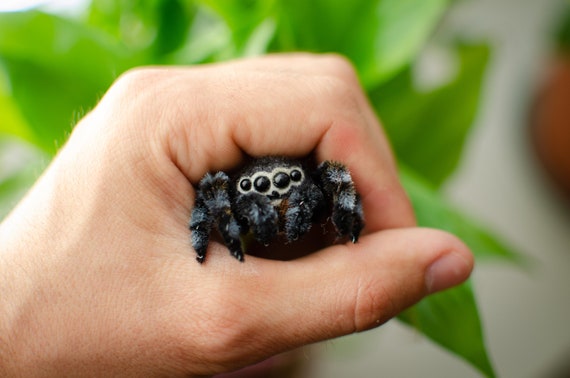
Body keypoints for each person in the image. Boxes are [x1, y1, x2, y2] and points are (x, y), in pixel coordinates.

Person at [0, 54, 473, 376]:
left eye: (284, 186)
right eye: (261, 188)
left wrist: (349, 226)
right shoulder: (231, 192)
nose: (275, 195)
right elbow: (211, 190)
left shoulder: (316, 181)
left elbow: (335, 175)